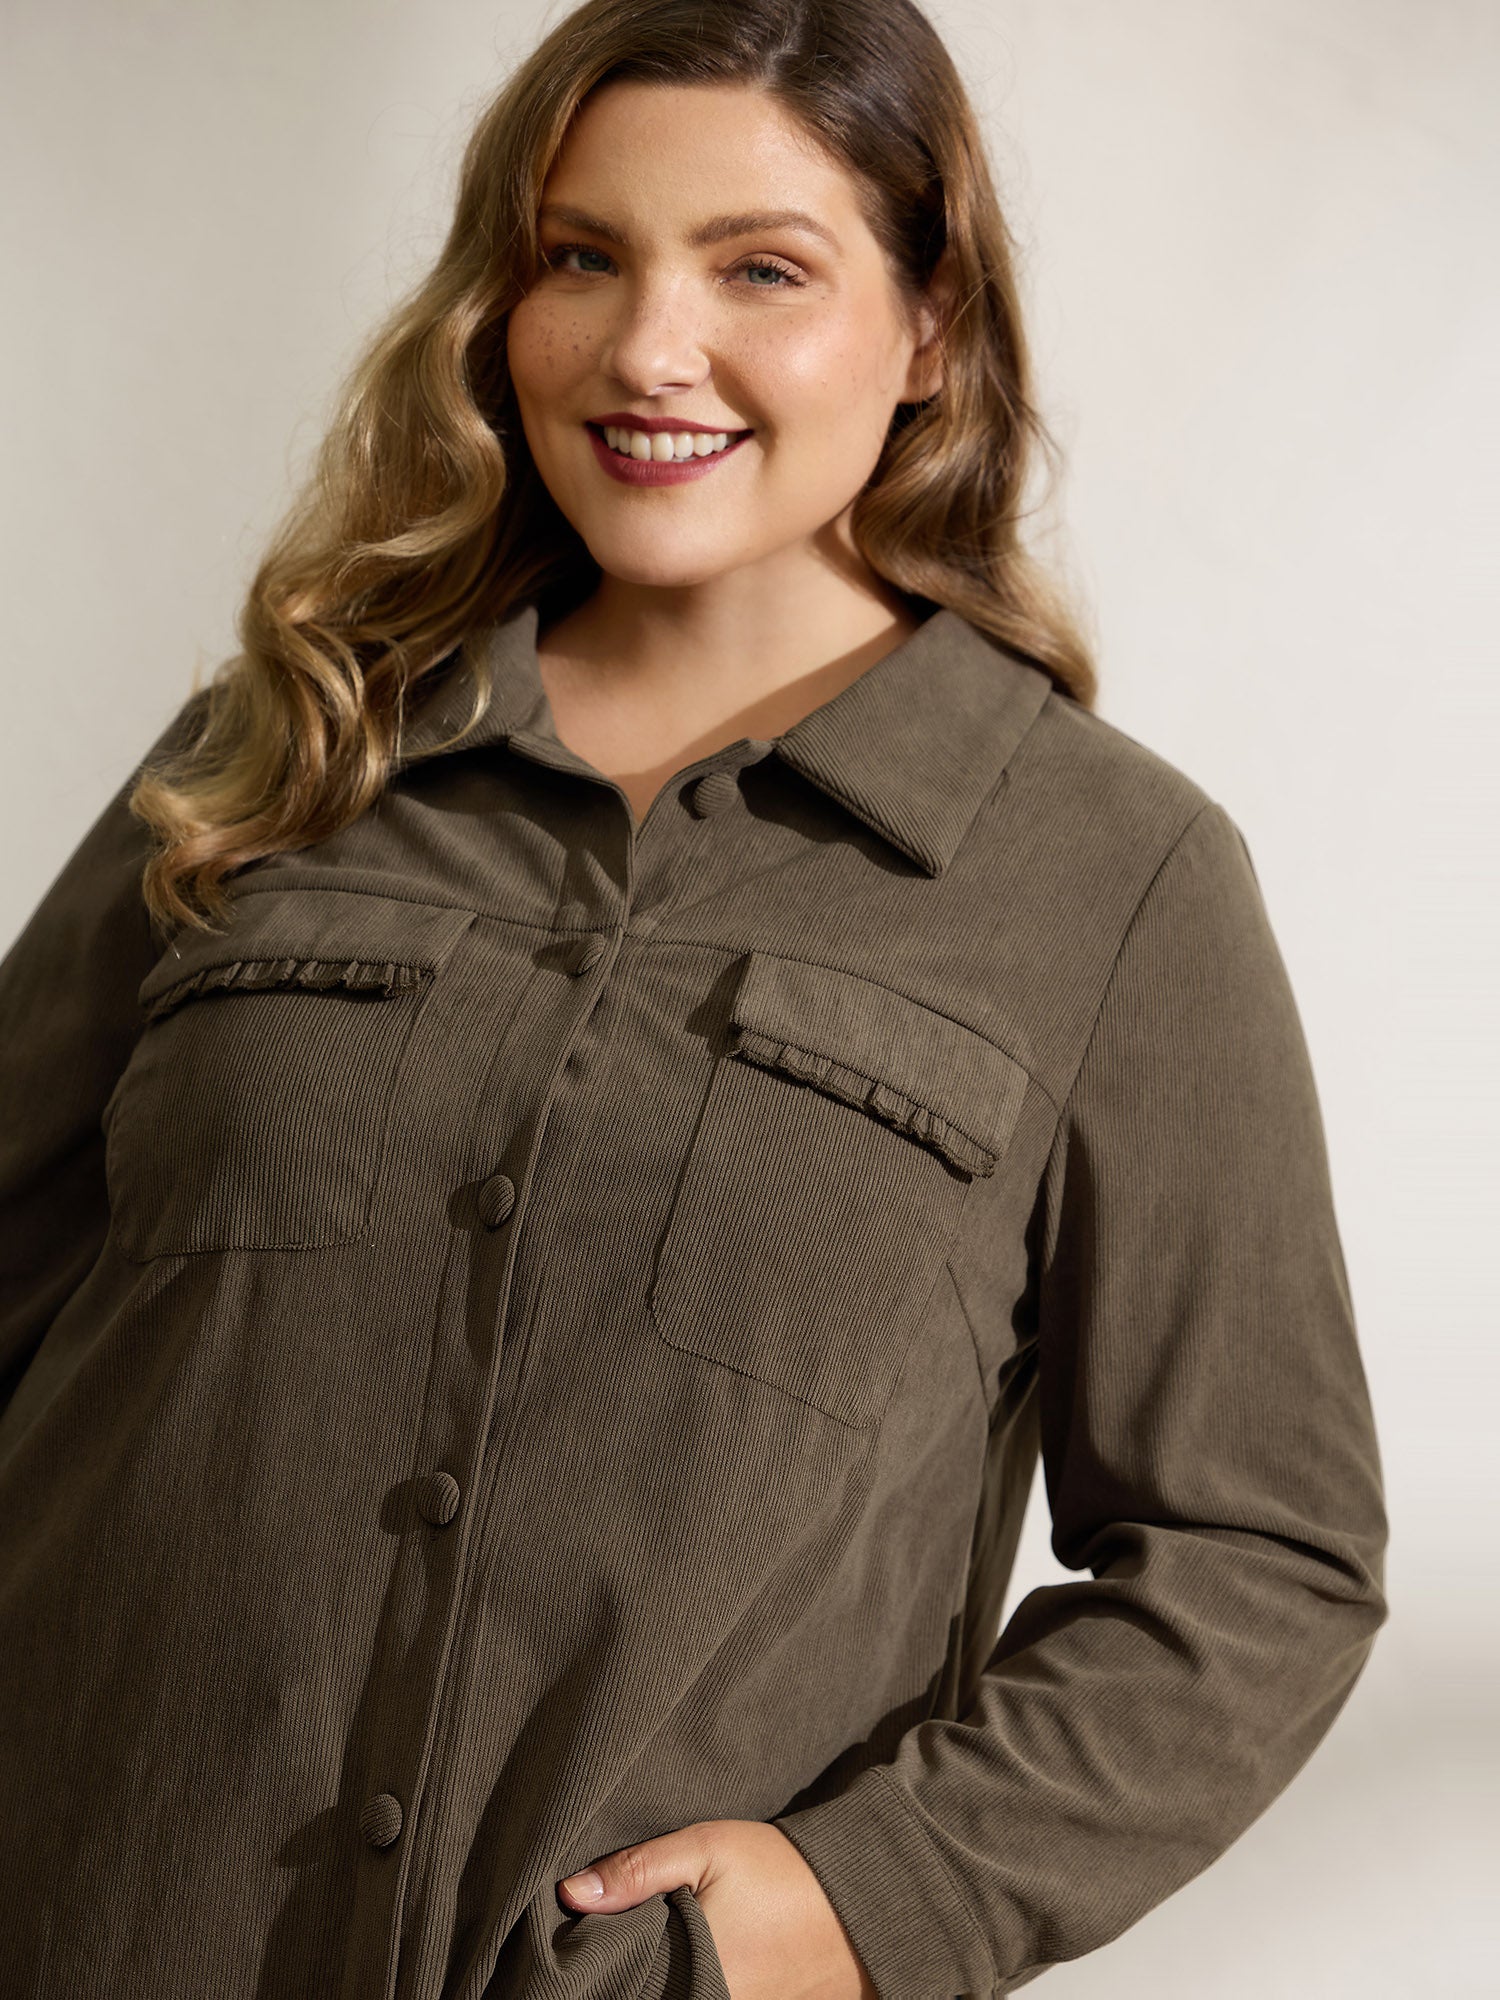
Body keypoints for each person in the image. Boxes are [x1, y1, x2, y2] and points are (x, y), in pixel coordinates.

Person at [0, 1, 1389, 1996]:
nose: (651, 350)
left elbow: (1263, 1561)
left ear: (929, 324)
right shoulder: (286, 751)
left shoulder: (1115, 880)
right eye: (582, 257)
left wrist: (855, 1905)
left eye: (761, 270)